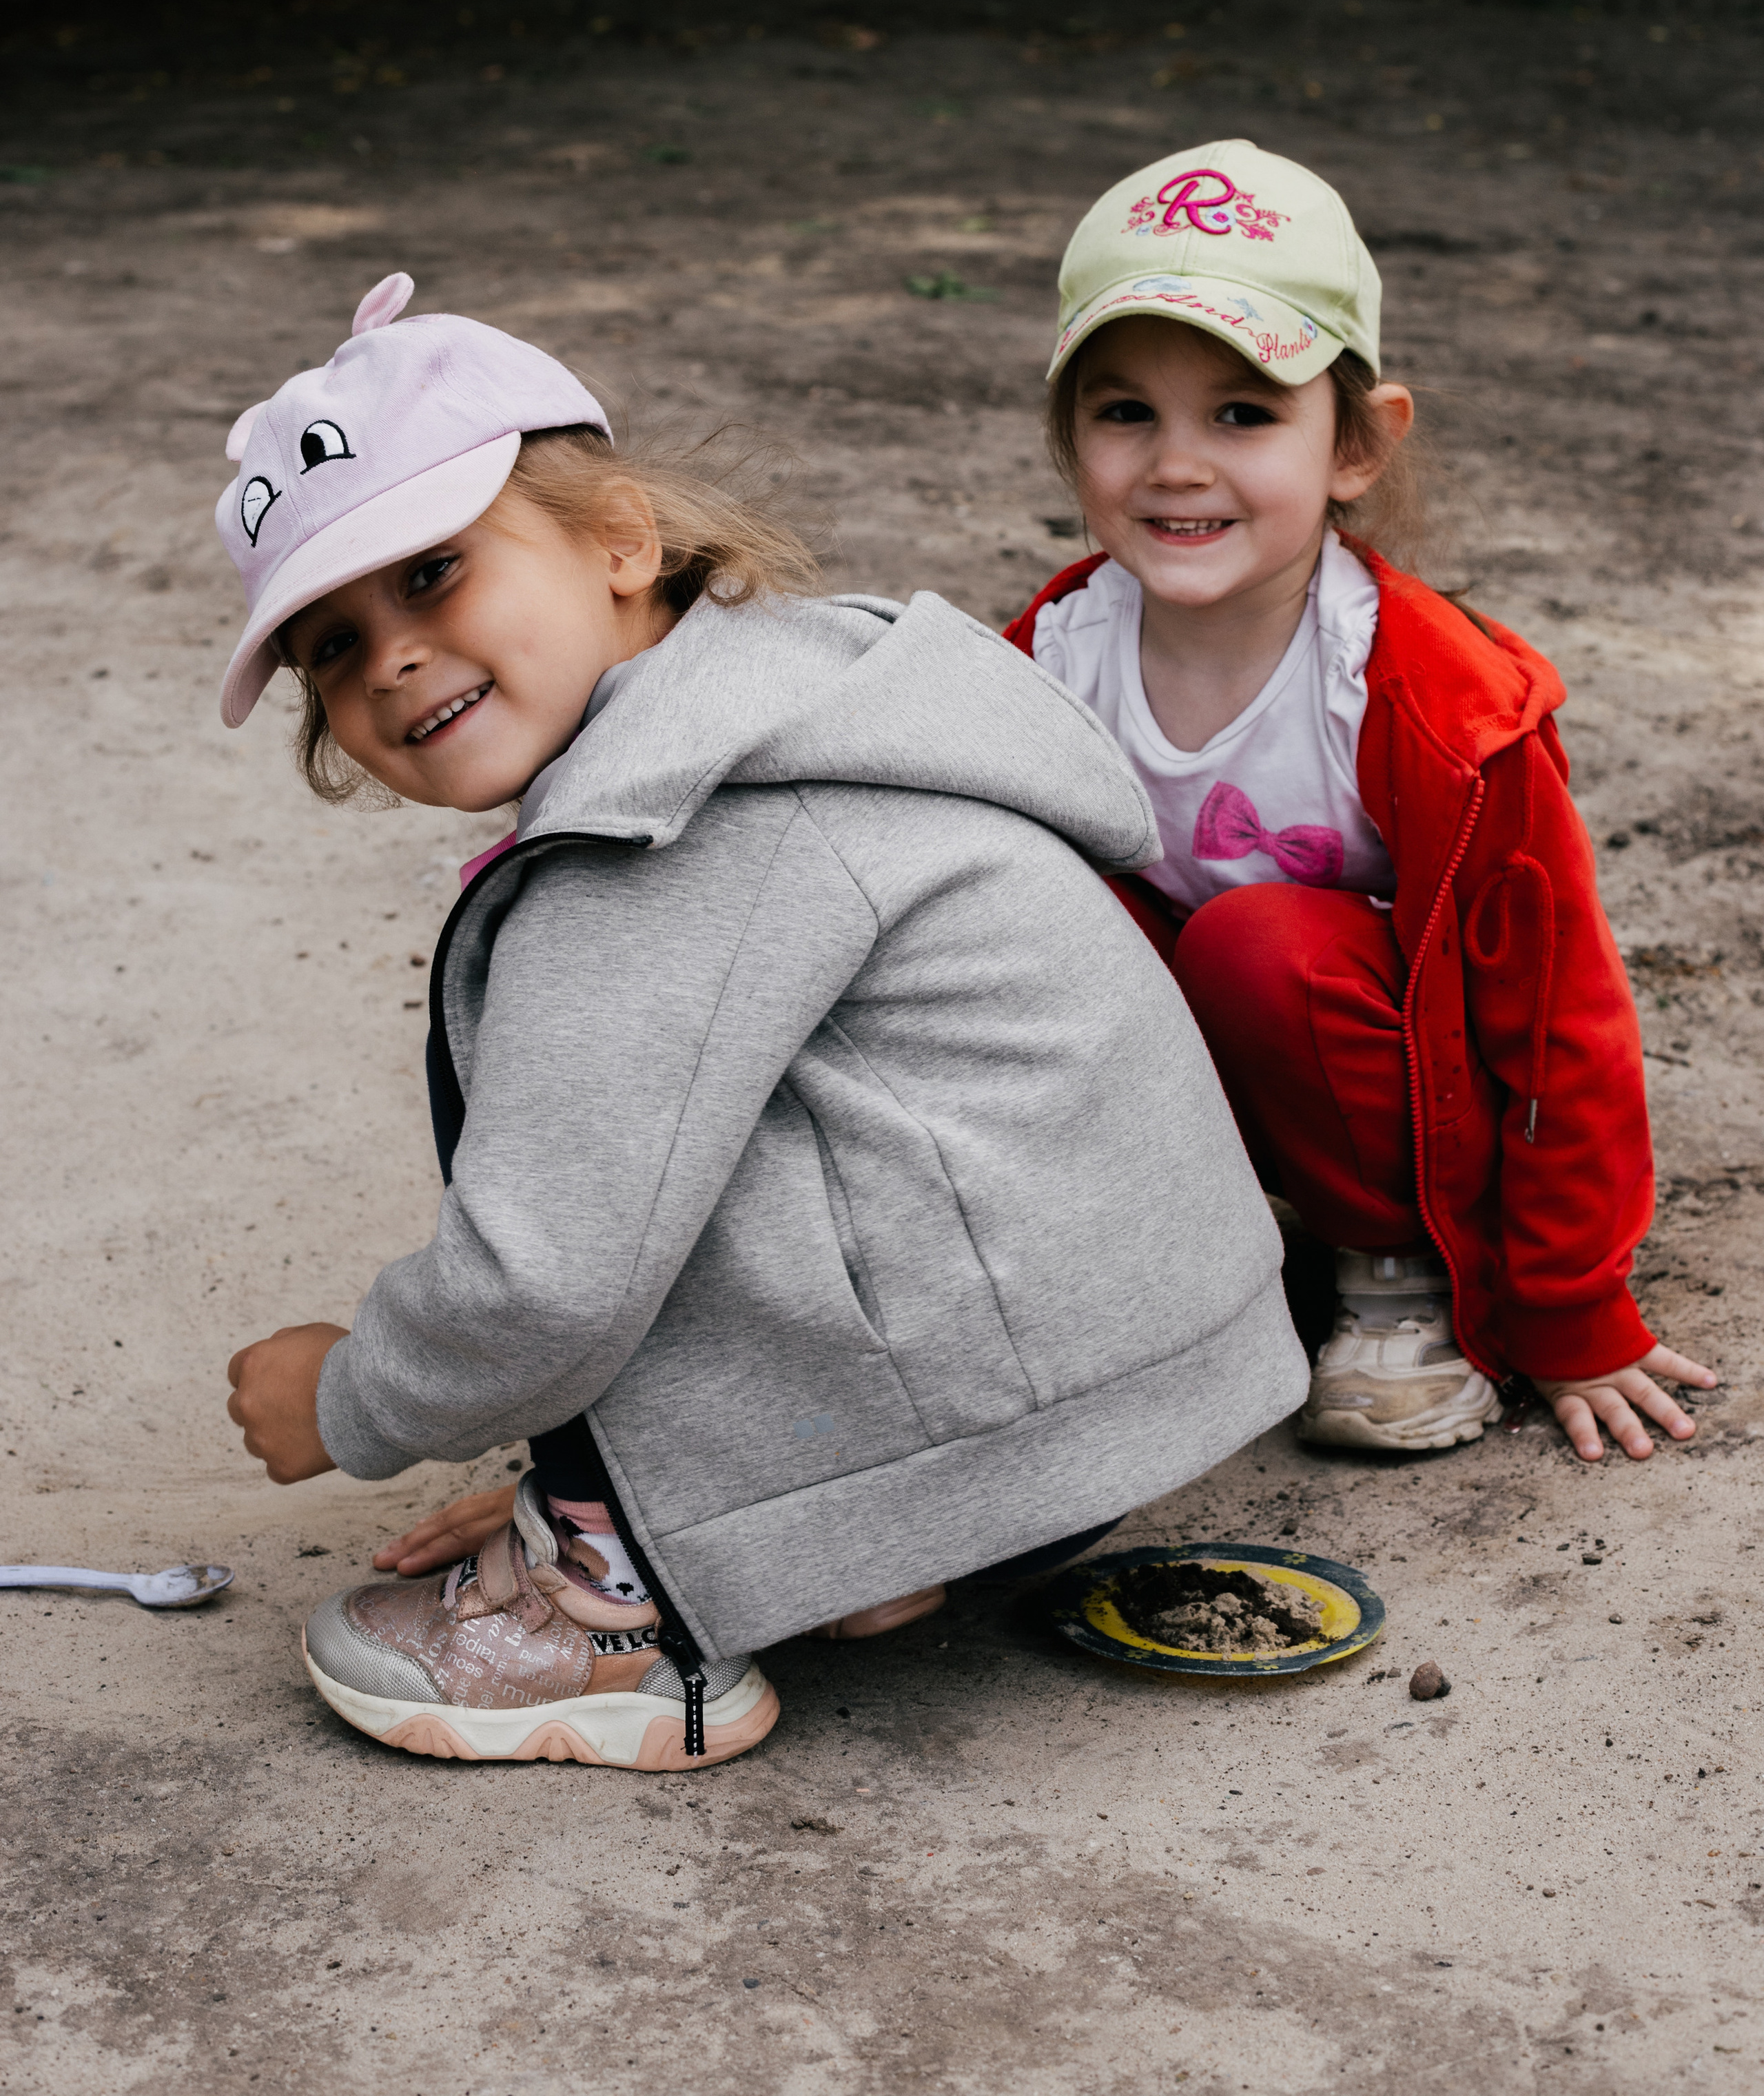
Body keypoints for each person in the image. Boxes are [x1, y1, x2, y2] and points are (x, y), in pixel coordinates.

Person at [218, 271, 1306, 1771]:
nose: (389, 654)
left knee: (607, 1178)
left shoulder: (665, 843)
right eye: (328, 645)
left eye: (431, 575)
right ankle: (765, 1527)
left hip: (1014, 1411)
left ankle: (618, 1615)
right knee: (657, 1124)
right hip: (1124, 1362)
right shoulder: (786, 694)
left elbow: (551, 1280)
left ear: (619, 541)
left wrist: (353, 1394)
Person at [1005, 141, 1716, 1465]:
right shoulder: (1051, 656)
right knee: (1011, 899)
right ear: (1069, 438)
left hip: (1398, 1103)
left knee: (1256, 940)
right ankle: (1163, 1260)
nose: (1175, 464)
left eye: (1241, 413)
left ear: (1358, 443)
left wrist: (1575, 1312)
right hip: (1198, 1095)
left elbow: (1560, 1013)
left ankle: (1391, 1272)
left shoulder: (1437, 705)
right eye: (1124, 413)